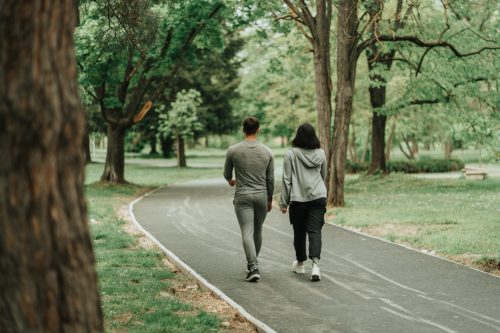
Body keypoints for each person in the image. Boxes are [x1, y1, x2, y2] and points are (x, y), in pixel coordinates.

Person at [224, 117, 274, 282]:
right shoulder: (267, 152)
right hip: (261, 195)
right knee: (257, 230)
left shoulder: (233, 150)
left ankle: (253, 266)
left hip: (243, 196)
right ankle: (253, 264)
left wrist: (231, 181)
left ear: (243, 130)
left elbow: (227, 174)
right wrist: (269, 200)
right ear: (258, 130)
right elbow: (270, 179)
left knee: (247, 231)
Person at [279, 123, 327, 281]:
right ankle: (315, 265)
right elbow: (323, 175)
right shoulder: (321, 153)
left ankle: (300, 263)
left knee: (299, 232)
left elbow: (286, 180)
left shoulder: (291, 154)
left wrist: (283, 203)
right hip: (318, 196)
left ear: (298, 136)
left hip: (298, 199)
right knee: (315, 231)